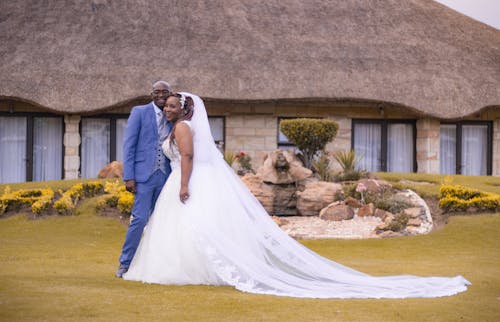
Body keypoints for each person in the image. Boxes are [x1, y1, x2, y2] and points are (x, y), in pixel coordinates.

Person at [123, 92, 470, 298]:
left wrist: (184, 185)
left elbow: (186, 158)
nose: (166, 109)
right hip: (180, 183)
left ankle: (189, 269)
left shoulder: (182, 129)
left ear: (184, 110)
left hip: (187, 183)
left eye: (171, 105)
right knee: (185, 229)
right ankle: (191, 268)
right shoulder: (179, 126)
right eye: (165, 106)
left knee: (189, 226)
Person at [115, 81, 173, 278]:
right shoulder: (139, 112)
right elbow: (128, 146)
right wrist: (129, 177)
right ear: (151, 94)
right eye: (157, 92)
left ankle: (157, 264)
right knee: (139, 220)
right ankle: (125, 263)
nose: (161, 95)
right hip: (143, 177)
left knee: (162, 222)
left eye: (165, 92)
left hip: (166, 177)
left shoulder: (172, 115)